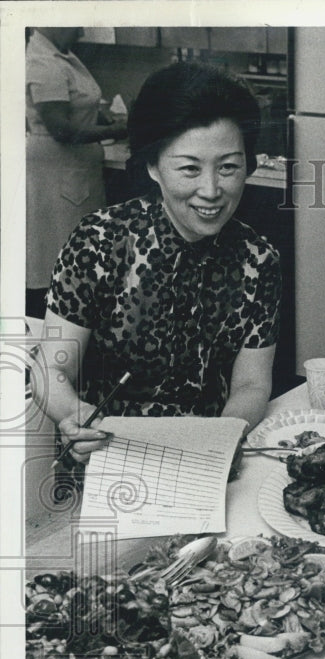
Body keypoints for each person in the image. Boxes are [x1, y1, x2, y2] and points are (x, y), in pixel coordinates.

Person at [32, 62, 281, 467]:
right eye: (189, 168)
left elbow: (252, 384)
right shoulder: (100, 241)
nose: (211, 190)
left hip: (205, 465)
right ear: (153, 166)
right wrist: (73, 416)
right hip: (109, 462)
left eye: (229, 167)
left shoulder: (259, 259)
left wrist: (225, 436)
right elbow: (50, 370)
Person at [25, 27, 127, 317]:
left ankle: (75, 325)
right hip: (56, 174)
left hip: (76, 171)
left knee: (77, 259)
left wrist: (99, 117)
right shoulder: (43, 62)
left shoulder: (63, 55)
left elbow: (77, 105)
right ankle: (51, 328)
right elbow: (59, 128)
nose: (82, 29)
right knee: (55, 260)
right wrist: (115, 130)